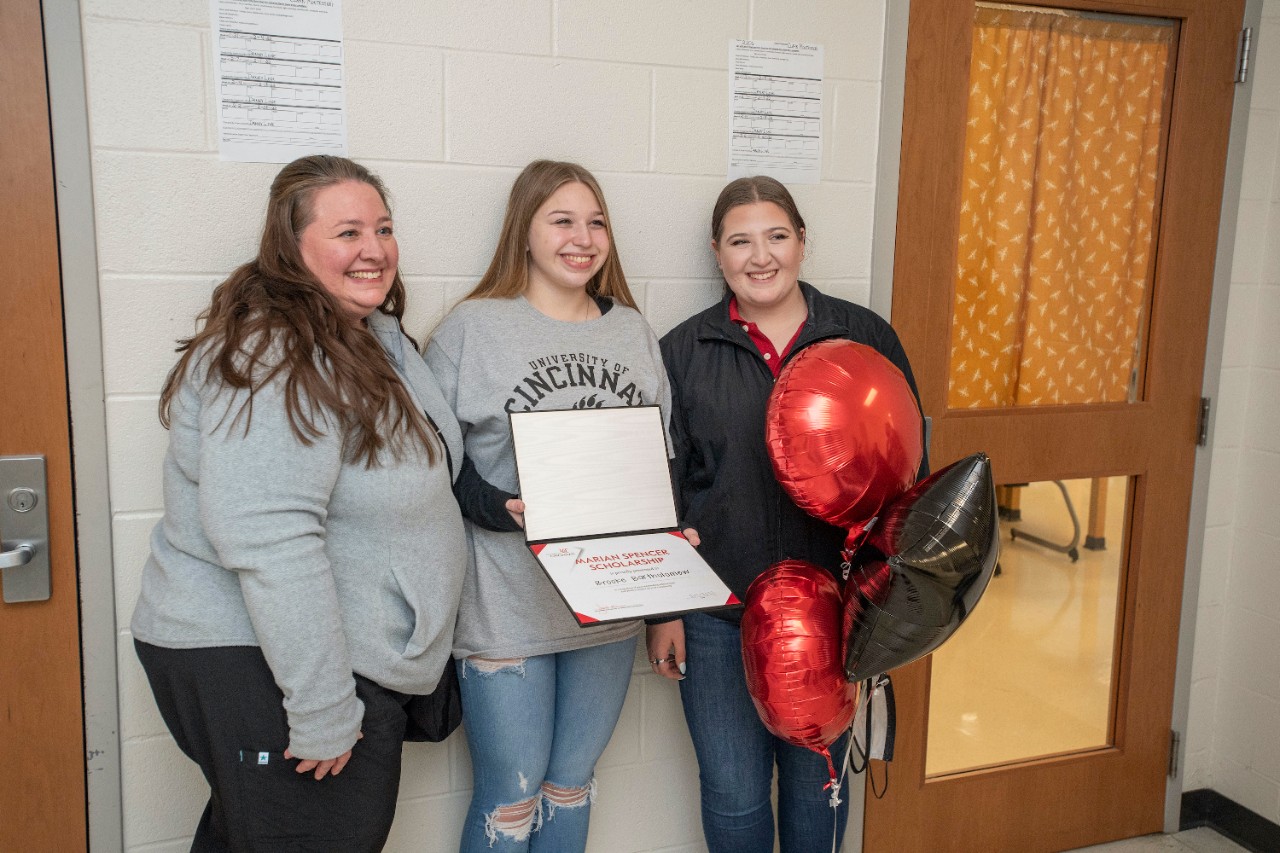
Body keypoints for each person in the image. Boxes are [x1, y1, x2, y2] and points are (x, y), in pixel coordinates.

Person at [131, 155, 468, 852]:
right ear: (292, 246)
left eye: (383, 228)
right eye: (348, 232)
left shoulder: (367, 337)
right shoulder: (276, 351)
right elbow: (270, 536)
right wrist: (321, 708)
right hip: (266, 659)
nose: (374, 249)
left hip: (308, 653)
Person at [648, 176, 928, 853]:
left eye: (776, 236)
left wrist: (884, 605)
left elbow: (909, 471)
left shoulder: (863, 336)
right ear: (717, 252)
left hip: (835, 616)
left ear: (802, 241)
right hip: (718, 617)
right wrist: (663, 611)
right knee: (733, 793)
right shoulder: (682, 351)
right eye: (740, 241)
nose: (760, 256)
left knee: (816, 786)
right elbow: (662, 489)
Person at [424, 160, 671, 853]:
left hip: (608, 607)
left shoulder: (632, 331)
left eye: (596, 222)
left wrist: (667, 598)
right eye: (562, 221)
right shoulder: (471, 328)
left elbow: (661, 466)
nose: (582, 238)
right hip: (506, 604)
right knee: (511, 798)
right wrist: (499, 506)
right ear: (524, 231)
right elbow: (432, 464)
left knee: (571, 785)